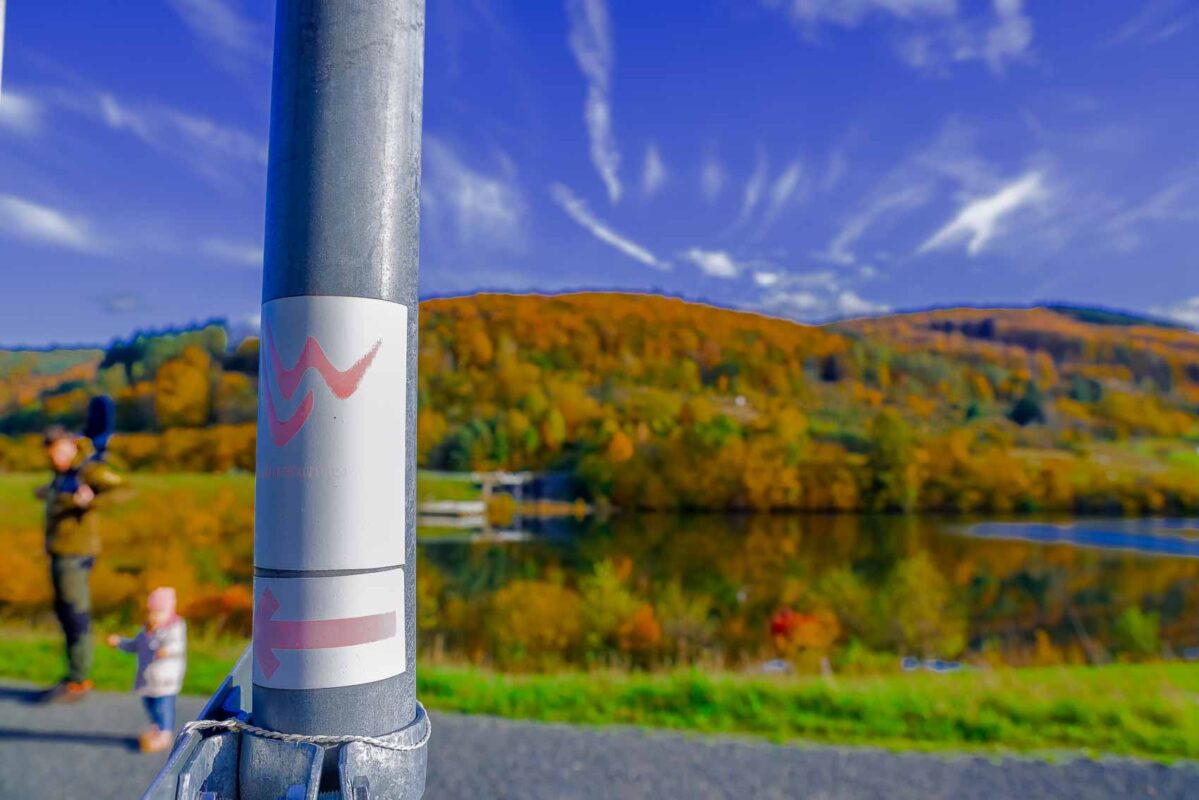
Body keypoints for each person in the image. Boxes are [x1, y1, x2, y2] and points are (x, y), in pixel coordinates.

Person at [36, 424, 126, 703]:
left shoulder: (87, 468)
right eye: (52, 454)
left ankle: (78, 680)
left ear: (71, 444)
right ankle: (74, 674)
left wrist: (89, 501)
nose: (56, 458)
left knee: (75, 613)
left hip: (75, 554)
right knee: (66, 611)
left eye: (60, 451)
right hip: (62, 551)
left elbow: (118, 488)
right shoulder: (64, 473)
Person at [108, 587, 188, 753]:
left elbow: (178, 645)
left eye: (159, 612)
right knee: (149, 702)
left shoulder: (175, 627)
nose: (154, 616)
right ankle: (156, 728)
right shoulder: (146, 630)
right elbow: (134, 645)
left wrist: (167, 650)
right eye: (152, 612)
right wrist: (120, 643)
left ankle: (164, 734)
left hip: (166, 676)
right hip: (148, 677)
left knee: (163, 704)